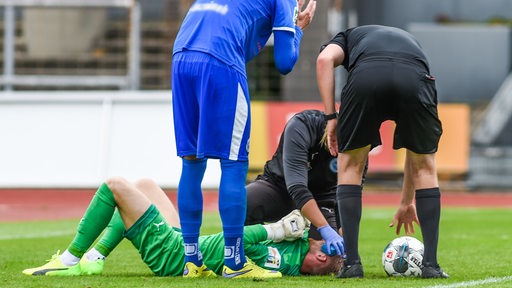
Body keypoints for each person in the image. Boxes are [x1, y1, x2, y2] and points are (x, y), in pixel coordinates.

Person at [171, 0, 317, 278]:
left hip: (181, 57)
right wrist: (296, 29)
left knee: (191, 163)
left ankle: (191, 261)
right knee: (234, 164)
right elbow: (284, 62)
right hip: (220, 61)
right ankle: (235, 263)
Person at [316, 25, 448, 279]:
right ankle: (430, 265)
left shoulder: (345, 37)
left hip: (367, 76)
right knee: (425, 166)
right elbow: (414, 153)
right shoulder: (409, 41)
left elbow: (324, 59)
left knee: (351, 166)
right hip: (415, 77)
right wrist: (406, 201)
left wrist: (331, 116)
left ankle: (351, 264)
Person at [22, 177, 343, 277]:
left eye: (324, 246)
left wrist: (276, 230)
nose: (321, 235)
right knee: (146, 186)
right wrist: (300, 230)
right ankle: (96, 258)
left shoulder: (284, 261)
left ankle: (70, 260)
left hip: (174, 257)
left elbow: (228, 245)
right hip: (186, 244)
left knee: (114, 187)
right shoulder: (301, 249)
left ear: (320, 259)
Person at [246, 109, 367, 255]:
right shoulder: (303, 125)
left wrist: (345, 241)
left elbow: (346, 202)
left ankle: (285, 255)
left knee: (327, 258)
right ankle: (253, 253)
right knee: (244, 202)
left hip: (323, 201)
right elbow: (297, 187)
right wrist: (325, 228)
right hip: (279, 188)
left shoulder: (359, 148)